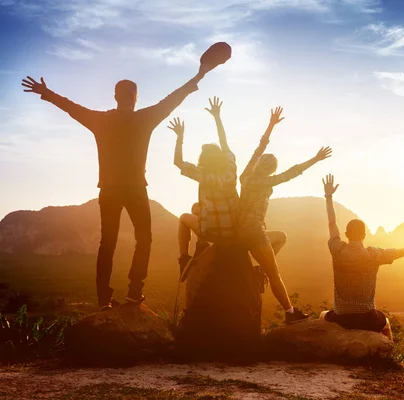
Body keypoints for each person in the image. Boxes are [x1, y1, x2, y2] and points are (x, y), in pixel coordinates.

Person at [21, 66, 210, 311]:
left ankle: (103, 300)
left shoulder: (101, 120)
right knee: (144, 239)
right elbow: (174, 98)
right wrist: (199, 74)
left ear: (115, 97)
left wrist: (46, 92)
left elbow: (71, 108)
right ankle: (134, 292)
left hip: (109, 190)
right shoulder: (145, 118)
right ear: (135, 97)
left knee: (107, 243)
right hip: (135, 189)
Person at [320, 174, 404, 339]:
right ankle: (389, 355)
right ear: (364, 234)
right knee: (386, 323)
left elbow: (332, 223)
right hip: (367, 318)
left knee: (322, 315)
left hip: (341, 318)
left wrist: (329, 196)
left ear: (346, 234)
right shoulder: (374, 254)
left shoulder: (337, 249)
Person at [238, 106, 333, 324]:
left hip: (240, 229)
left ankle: (260, 268)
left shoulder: (245, 177)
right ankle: (290, 312)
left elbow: (258, 149)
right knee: (275, 274)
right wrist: (316, 159)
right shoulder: (268, 180)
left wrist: (271, 125)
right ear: (271, 170)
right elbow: (293, 172)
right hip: (254, 230)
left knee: (280, 235)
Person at [168, 97, 238, 284]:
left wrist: (180, 138)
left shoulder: (204, 175)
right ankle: (201, 246)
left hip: (213, 231)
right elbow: (225, 143)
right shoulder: (231, 169)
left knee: (184, 217)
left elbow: (178, 162)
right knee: (195, 207)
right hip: (233, 228)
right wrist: (217, 117)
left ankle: (184, 259)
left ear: (203, 159)